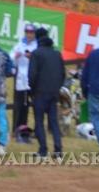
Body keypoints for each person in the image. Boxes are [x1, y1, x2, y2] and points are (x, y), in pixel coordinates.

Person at [27, 27, 65, 160]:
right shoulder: (57, 54)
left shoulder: (36, 54)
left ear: (37, 38)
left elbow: (32, 75)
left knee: (39, 121)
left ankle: (43, 150)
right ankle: (58, 150)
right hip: (54, 92)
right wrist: (57, 88)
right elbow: (62, 74)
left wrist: (31, 90)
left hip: (39, 92)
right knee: (54, 122)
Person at [10, 24, 38, 132]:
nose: (29, 35)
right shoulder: (19, 45)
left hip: (33, 78)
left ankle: (36, 128)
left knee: (36, 105)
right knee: (19, 104)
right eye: (27, 32)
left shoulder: (37, 45)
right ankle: (17, 128)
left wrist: (32, 57)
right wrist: (15, 57)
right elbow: (11, 57)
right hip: (21, 78)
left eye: (31, 33)